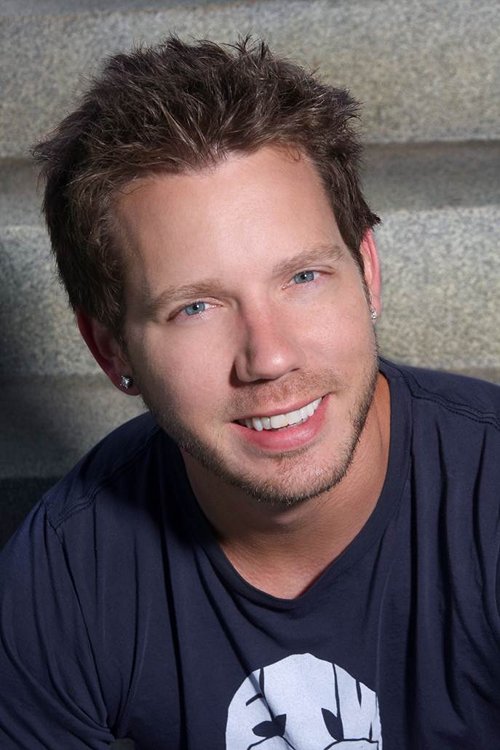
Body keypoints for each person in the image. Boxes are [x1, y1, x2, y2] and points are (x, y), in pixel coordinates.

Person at [0, 35, 499, 750]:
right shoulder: (65, 575)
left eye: (303, 277)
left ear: (367, 273)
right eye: (196, 307)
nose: (269, 357)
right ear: (110, 349)